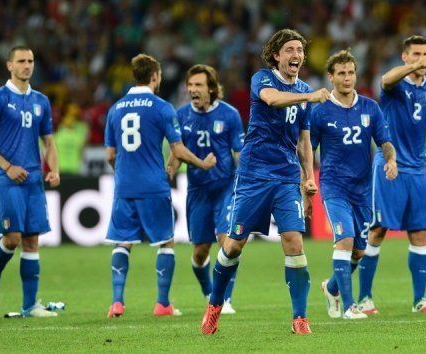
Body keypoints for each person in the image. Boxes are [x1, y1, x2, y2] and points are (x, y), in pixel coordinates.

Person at [200, 28, 331, 335]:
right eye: (290, 50)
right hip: (254, 174)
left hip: (286, 178)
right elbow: (271, 101)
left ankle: (300, 317)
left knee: (295, 243)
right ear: (277, 55)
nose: (296, 54)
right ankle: (215, 304)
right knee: (233, 246)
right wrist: (309, 96)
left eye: (300, 50)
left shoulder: (303, 89)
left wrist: (309, 179)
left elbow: (304, 142)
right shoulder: (263, 79)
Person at [105, 54, 217, 318]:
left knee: (122, 243)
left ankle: (117, 302)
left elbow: (110, 155)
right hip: (154, 185)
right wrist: (201, 163)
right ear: (155, 76)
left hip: (124, 186)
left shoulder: (116, 108)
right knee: (165, 243)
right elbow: (177, 148)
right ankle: (162, 303)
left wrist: (124, 173)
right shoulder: (162, 107)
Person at [358, 35, 426, 314]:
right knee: (378, 231)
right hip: (390, 167)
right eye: (416, 54)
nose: (423, 59)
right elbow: (386, 79)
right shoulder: (394, 86)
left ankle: (419, 300)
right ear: (405, 56)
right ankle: (365, 298)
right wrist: (414, 67)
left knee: (419, 234)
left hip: (417, 171)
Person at [311, 50, 397, 320]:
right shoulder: (320, 111)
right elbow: (307, 147)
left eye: (351, 72)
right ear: (331, 77)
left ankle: (331, 287)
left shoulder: (370, 108)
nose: (347, 78)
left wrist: (391, 160)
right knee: (344, 240)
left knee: (359, 251)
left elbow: (385, 142)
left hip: (362, 189)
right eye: (341, 73)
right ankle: (350, 306)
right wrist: (306, 179)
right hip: (334, 186)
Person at [0, 46, 60, 317]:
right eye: (21, 61)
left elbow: (48, 142)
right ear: (9, 65)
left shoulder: (41, 101)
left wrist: (54, 169)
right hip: (6, 178)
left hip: (33, 179)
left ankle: (30, 306)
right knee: (11, 239)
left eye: (31, 61)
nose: (27, 65)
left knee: (31, 241)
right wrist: (8, 166)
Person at [167, 64, 245, 314]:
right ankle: (209, 292)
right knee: (200, 252)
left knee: (228, 243)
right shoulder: (181, 115)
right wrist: (171, 166)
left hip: (225, 189)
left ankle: (225, 299)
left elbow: (239, 153)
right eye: (190, 85)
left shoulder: (229, 115)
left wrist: (243, 182)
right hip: (198, 191)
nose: (193, 90)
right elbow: (177, 151)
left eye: (198, 85)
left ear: (211, 88)